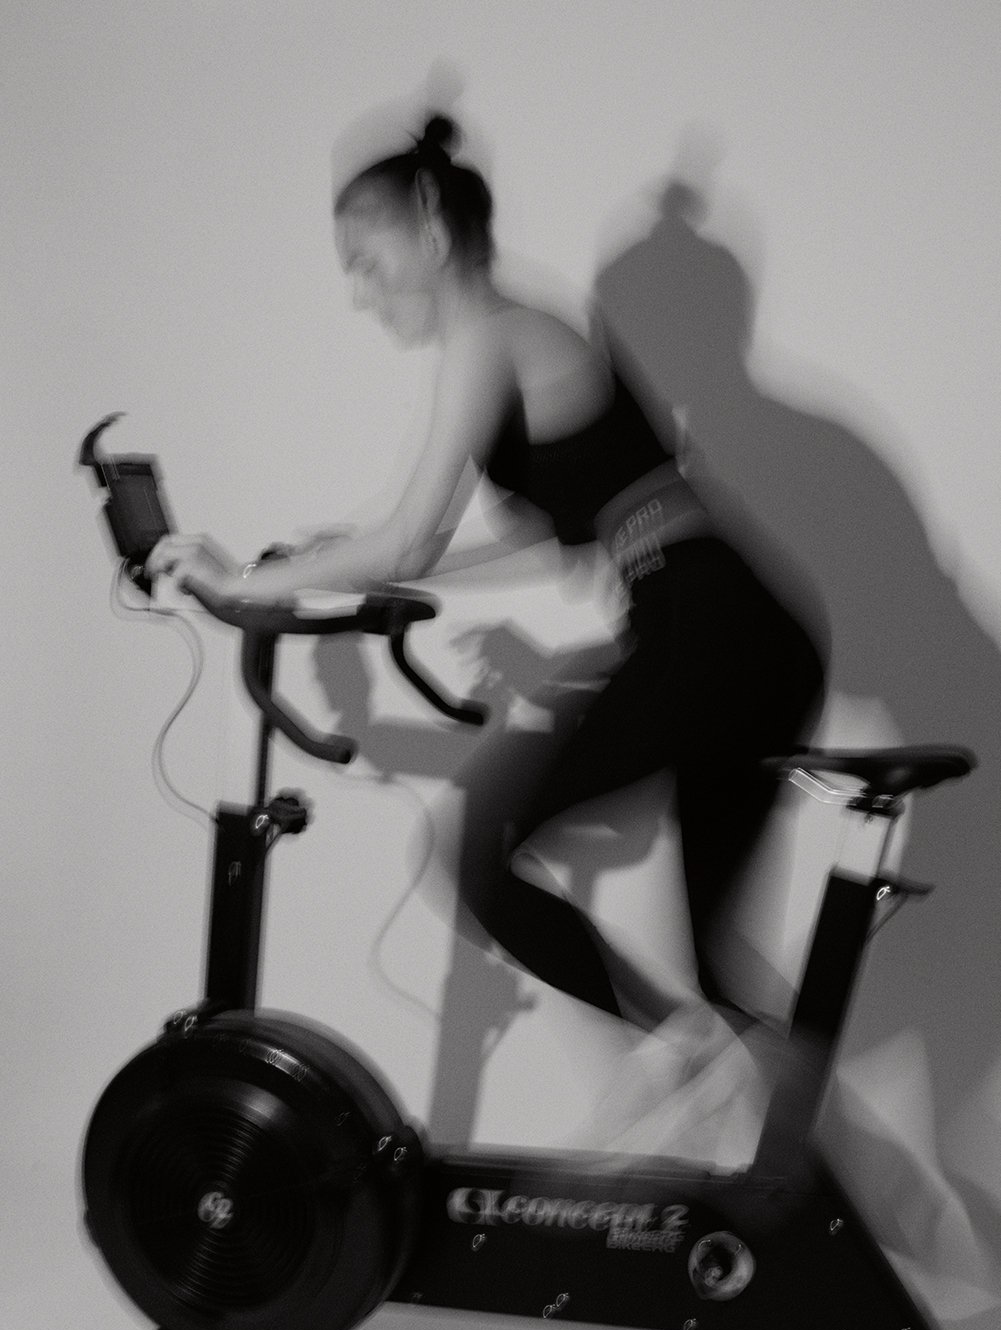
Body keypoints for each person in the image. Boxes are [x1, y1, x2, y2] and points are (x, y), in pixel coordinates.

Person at [149, 114, 826, 1150]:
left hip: (712, 629)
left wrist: (241, 580)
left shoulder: (488, 330)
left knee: (477, 852)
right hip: (738, 631)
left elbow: (409, 535)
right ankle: (830, 1196)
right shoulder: (530, 333)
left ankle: (690, 1059)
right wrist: (352, 568)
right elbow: (539, 545)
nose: (361, 294)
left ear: (427, 233)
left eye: (366, 265)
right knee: (715, 986)